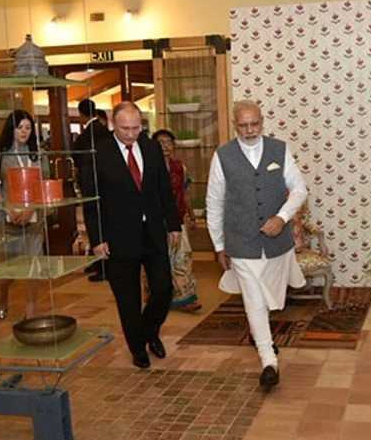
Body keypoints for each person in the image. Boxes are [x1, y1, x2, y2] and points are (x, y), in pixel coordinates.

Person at [206, 99, 308, 390]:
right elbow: (214, 202)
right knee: (253, 299)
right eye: (243, 124)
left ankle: (263, 343)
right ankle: (268, 361)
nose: (250, 130)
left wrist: (282, 216)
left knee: (270, 299)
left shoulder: (279, 150)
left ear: (263, 122)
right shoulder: (222, 156)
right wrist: (219, 245)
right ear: (234, 124)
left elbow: (300, 189)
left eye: (255, 123)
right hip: (241, 240)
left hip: (277, 244)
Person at [81, 101, 181, 370]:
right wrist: (97, 237)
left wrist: (173, 225)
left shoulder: (150, 147)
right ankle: (137, 348)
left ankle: (148, 331)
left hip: (152, 232)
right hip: (117, 237)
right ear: (113, 124)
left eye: (136, 128)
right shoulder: (97, 153)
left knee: (163, 289)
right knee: (128, 298)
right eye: (125, 128)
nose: (131, 134)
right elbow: (92, 200)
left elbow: (164, 190)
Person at [0, 110, 47, 320]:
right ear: (12, 128)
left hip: (34, 217)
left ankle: (31, 310)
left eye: (28, 128)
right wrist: (6, 208)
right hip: (8, 218)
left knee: (33, 265)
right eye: (20, 127)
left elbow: (44, 185)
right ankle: (1, 295)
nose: (24, 132)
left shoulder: (38, 154)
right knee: (10, 268)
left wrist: (32, 208)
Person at [151, 129, 201, 313]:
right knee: (158, 261)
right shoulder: (148, 168)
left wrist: (192, 216)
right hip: (155, 223)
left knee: (182, 259)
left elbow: (186, 194)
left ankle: (186, 298)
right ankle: (157, 296)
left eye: (168, 142)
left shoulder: (181, 168)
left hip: (177, 221)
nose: (165, 146)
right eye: (160, 143)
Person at [72, 99, 110, 282]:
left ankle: (104, 265)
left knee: (97, 223)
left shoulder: (93, 132)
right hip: (95, 183)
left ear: (81, 114)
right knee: (95, 223)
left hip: (94, 183)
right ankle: (98, 261)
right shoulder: (99, 130)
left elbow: (79, 156)